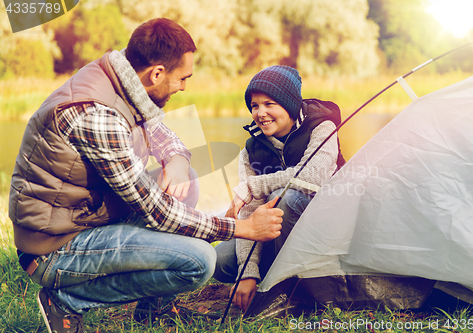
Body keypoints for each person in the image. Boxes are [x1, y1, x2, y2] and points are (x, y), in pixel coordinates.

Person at [8, 18, 283, 332]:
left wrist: (177, 160)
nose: (183, 87)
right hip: (54, 250)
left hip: (85, 219)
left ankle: (155, 307)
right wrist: (242, 228)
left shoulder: (122, 80)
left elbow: (163, 135)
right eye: (183, 78)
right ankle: (67, 302)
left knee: (187, 177)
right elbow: (158, 213)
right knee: (200, 262)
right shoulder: (98, 116)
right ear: (157, 73)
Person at [213, 65, 346, 311]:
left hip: (328, 229)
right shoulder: (251, 149)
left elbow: (311, 176)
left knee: (283, 198)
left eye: (269, 104)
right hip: (278, 234)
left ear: (289, 104)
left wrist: (253, 185)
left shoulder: (322, 127)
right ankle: (270, 275)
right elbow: (249, 212)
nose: (260, 113)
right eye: (254, 106)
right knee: (220, 261)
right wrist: (247, 272)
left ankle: (298, 285)